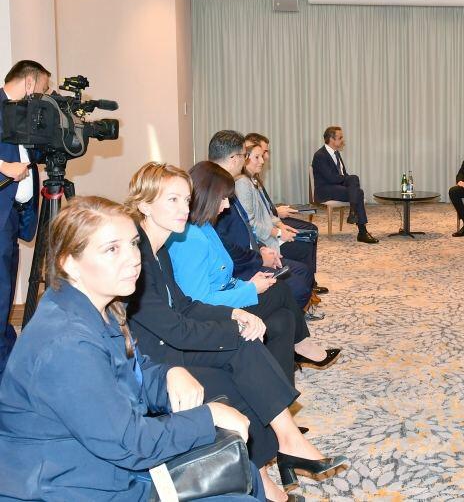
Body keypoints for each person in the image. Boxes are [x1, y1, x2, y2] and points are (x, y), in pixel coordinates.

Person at [0, 196, 265, 501]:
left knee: (243, 470)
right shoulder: (66, 343)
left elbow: (129, 373)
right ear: (69, 262)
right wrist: (208, 417)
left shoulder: (99, 307)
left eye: (133, 244)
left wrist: (168, 374)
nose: (133, 259)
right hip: (66, 487)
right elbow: (130, 444)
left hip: (102, 466)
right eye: (112, 249)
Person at [126, 162, 347, 499]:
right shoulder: (136, 255)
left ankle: (282, 456)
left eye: (185, 199)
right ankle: (275, 467)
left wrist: (234, 314)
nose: (184, 208)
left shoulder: (158, 248)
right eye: (172, 200)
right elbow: (174, 329)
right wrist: (234, 327)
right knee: (240, 366)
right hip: (156, 364)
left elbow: (185, 305)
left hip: (171, 344)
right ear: (144, 204)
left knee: (248, 349)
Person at [167, 161, 337, 382]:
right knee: (280, 290)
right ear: (208, 196)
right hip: (211, 316)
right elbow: (200, 302)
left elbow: (223, 277)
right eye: (223, 198)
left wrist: (247, 283)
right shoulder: (191, 239)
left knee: (284, 318)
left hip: (225, 298)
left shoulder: (204, 226)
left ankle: (279, 390)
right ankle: (303, 345)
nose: (226, 205)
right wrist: (250, 289)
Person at [210, 131, 315, 310]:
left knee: (303, 274)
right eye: (245, 156)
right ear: (234, 158)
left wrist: (262, 248)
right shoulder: (220, 190)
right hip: (240, 267)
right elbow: (228, 245)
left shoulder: (229, 184)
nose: (248, 160)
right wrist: (260, 258)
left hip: (253, 251)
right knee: (296, 287)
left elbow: (247, 227)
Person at [0, 60, 45, 377]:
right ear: (29, 82)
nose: (42, 95)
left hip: (15, 216)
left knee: (5, 291)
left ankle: (9, 363)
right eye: (42, 87)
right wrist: (4, 167)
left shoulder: (23, 114)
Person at [237, 136, 319, 309]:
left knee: (308, 236)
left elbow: (267, 212)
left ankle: (309, 289)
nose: (263, 160)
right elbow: (250, 223)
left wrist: (281, 226)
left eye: (262, 155)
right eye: (258, 157)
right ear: (245, 158)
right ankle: (307, 292)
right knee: (304, 246)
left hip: (270, 231)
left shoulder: (252, 179)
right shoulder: (243, 183)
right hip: (264, 239)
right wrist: (279, 233)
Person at [310, 126, 379, 244]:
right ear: (332, 139)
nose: (343, 140)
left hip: (336, 186)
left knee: (354, 180)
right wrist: (348, 180)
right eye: (340, 137)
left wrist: (348, 180)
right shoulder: (320, 155)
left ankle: (353, 214)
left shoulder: (336, 153)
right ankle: (361, 230)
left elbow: (342, 174)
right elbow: (331, 178)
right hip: (325, 190)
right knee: (358, 192)